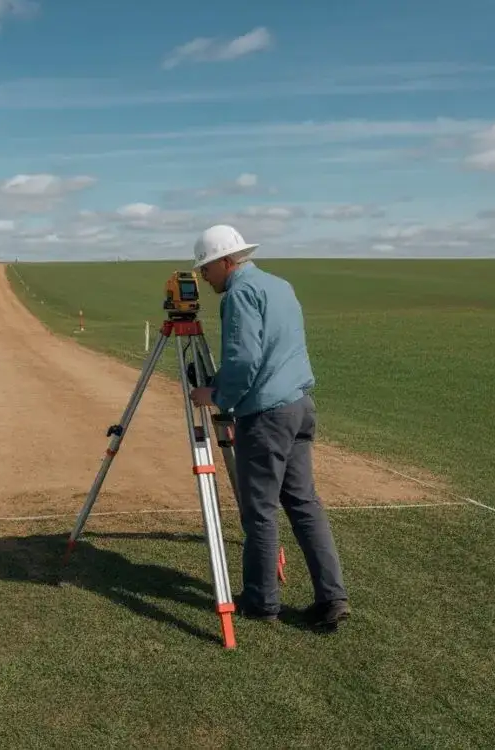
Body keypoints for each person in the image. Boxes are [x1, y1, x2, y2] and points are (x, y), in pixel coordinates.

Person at [188, 224, 350, 630]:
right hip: (299, 405)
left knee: (260, 511)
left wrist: (217, 395)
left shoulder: (240, 293)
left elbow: (244, 360)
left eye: (207, 268)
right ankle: (332, 597)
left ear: (227, 262)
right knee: (304, 505)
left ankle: (262, 602)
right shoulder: (279, 286)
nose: (204, 277)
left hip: (265, 417)